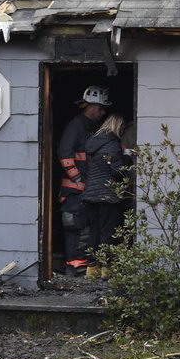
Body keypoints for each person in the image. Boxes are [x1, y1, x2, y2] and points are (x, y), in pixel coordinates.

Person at [57, 85, 111, 275]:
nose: (103, 112)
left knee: (88, 230)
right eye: (100, 108)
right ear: (89, 106)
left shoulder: (93, 128)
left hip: (86, 192)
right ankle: (75, 268)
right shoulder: (76, 126)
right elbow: (65, 156)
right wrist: (79, 181)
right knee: (76, 228)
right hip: (73, 193)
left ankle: (83, 267)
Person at [81, 113, 135, 261]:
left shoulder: (91, 143)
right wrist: (127, 157)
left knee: (94, 232)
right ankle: (106, 268)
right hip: (107, 196)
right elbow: (117, 171)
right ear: (119, 127)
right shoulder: (113, 145)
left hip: (90, 194)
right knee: (107, 232)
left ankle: (91, 267)